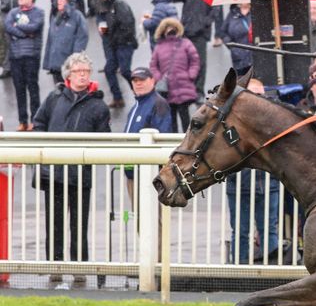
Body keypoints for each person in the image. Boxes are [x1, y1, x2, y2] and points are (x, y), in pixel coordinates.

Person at [32, 52, 110, 281]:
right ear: (69, 74)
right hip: (53, 174)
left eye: (86, 72)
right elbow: (39, 124)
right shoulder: (54, 98)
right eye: (78, 71)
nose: (83, 76)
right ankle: (55, 268)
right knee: (54, 225)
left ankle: (79, 269)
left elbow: (104, 139)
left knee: (79, 225)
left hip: (80, 175)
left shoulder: (98, 105)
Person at [226, 77, 281, 265]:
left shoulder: (272, 118)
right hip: (238, 184)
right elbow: (228, 148)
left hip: (268, 183)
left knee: (269, 229)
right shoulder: (231, 119)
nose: (257, 100)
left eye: (260, 95)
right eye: (252, 95)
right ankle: (239, 270)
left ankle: (271, 269)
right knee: (240, 231)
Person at [122, 66, 171, 202]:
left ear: (152, 81)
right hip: (133, 173)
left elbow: (163, 138)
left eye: (142, 80)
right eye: (135, 80)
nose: (138, 83)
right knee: (138, 217)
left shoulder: (159, 103)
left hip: (150, 176)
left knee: (154, 220)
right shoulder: (135, 107)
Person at [150, 17, 200, 132]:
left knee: (185, 117)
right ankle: (175, 141)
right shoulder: (159, 47)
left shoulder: (186, 44)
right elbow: (153, 66)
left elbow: (195, 60)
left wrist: (191, 74)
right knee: (171, 118)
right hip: (167, 88)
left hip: (184, 85)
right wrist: (159, 78)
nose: (170, 30)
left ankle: (187, 140)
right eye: (167, 28)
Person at [4, 0, 42, 131]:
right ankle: (22, 121)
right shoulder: (13, 12)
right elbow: (8, 27)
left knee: (33, 89)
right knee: (19, 90)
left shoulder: (38, 12)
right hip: (15, 57)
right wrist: (24, 34)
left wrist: (17, 28)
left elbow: (34, 27)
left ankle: (35, 120)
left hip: (31, 56)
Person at [97, 0, 136, 109]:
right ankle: (117, 97)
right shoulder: (111, 5)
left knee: (125, 71)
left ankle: (140, 93)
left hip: (124, 44)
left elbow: (127, 26)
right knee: (109, 69)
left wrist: (115, 37)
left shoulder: (120, 5)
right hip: (116, 44)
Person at [177, 0, 220, 101]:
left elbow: (216, 7)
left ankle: (199, 91)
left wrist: (205, 22)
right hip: (186, 30)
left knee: (200, 62)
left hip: (200, 33)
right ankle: (189, 89)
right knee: (186, 62)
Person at [42, 0, 87, 86]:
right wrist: (49, 62)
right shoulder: (55, 17)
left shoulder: (77, 16)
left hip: (69, 64)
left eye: (62, 1)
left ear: (68, 2)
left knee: (72, 90)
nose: (59, 2)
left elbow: (82, 37)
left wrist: (75, 59)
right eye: (58, 1)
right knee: (59, 92)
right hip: (56, 65)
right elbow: (50, 41)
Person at [0, 0, 36, 79]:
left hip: (21, 12)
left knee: (21, 39)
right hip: (5, 12)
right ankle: (7, 68)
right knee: (6, 40)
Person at [220, 3, 252, 75]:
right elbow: (223, 33)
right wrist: (233, 47)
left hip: (255, 56)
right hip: (238, 57)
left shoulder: (256, 12)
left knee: (255, 84)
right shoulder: (232, 14)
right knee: (241, 82)